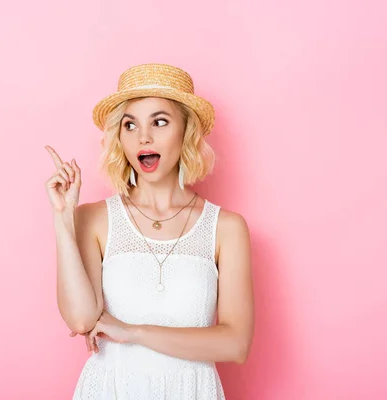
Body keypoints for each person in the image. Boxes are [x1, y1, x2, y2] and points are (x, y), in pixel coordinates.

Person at [44, 63, 254, 399]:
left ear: (186, 131)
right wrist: (62, 218)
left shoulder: (226, 228)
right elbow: (82, 320)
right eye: (130, 125)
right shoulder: (95, 219)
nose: (143, 137)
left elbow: (235, 343)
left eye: (159, 121)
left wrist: (134, 332)